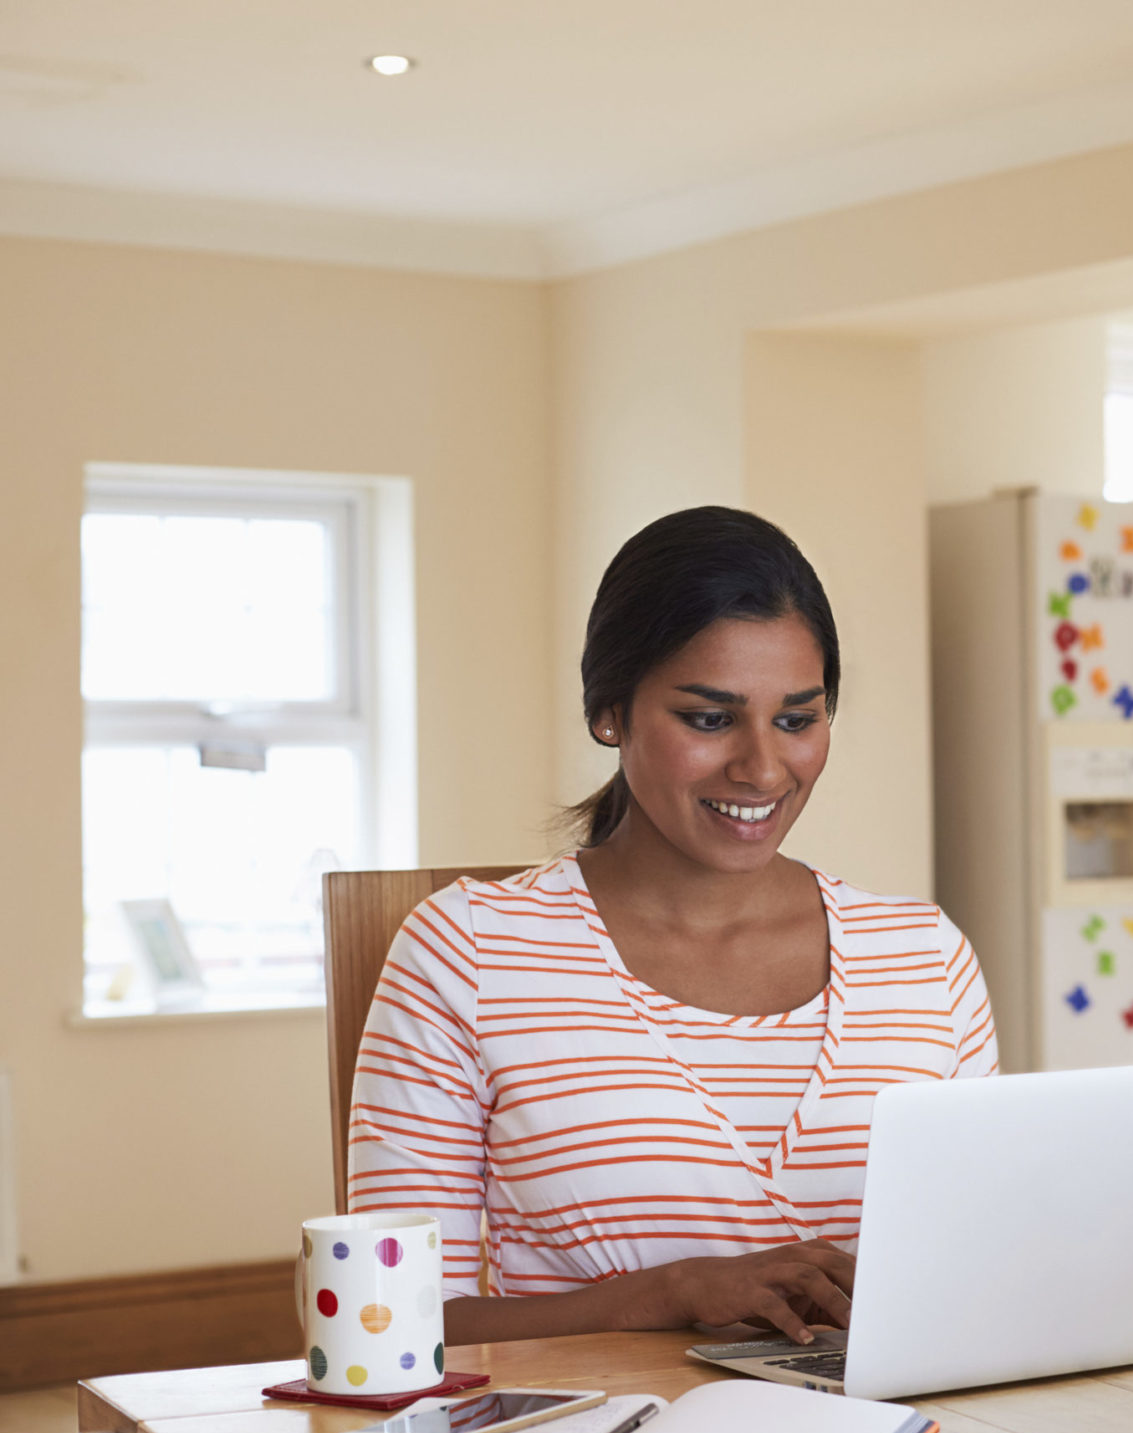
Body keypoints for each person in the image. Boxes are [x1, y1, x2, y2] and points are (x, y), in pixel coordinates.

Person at [348, 507, 998, 1344]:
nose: (763, 767)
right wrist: (663, 1294)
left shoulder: (925, 959)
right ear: (610, 712)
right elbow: (382, 1324)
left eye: (797, 719)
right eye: (709, 718)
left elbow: (981, 1274)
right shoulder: (466, 952)